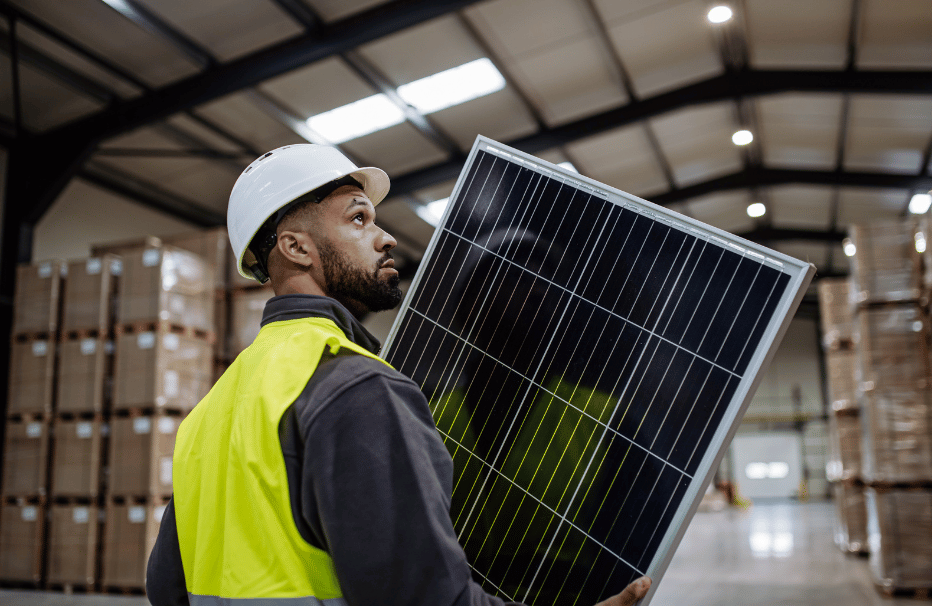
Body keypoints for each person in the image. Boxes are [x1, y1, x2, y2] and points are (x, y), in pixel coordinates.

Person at [145, 144, 651, 606]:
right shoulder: (356, 388)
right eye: (359, 218)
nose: (386, 237)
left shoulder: (211, 411)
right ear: (297, 248)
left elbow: (165, 587)